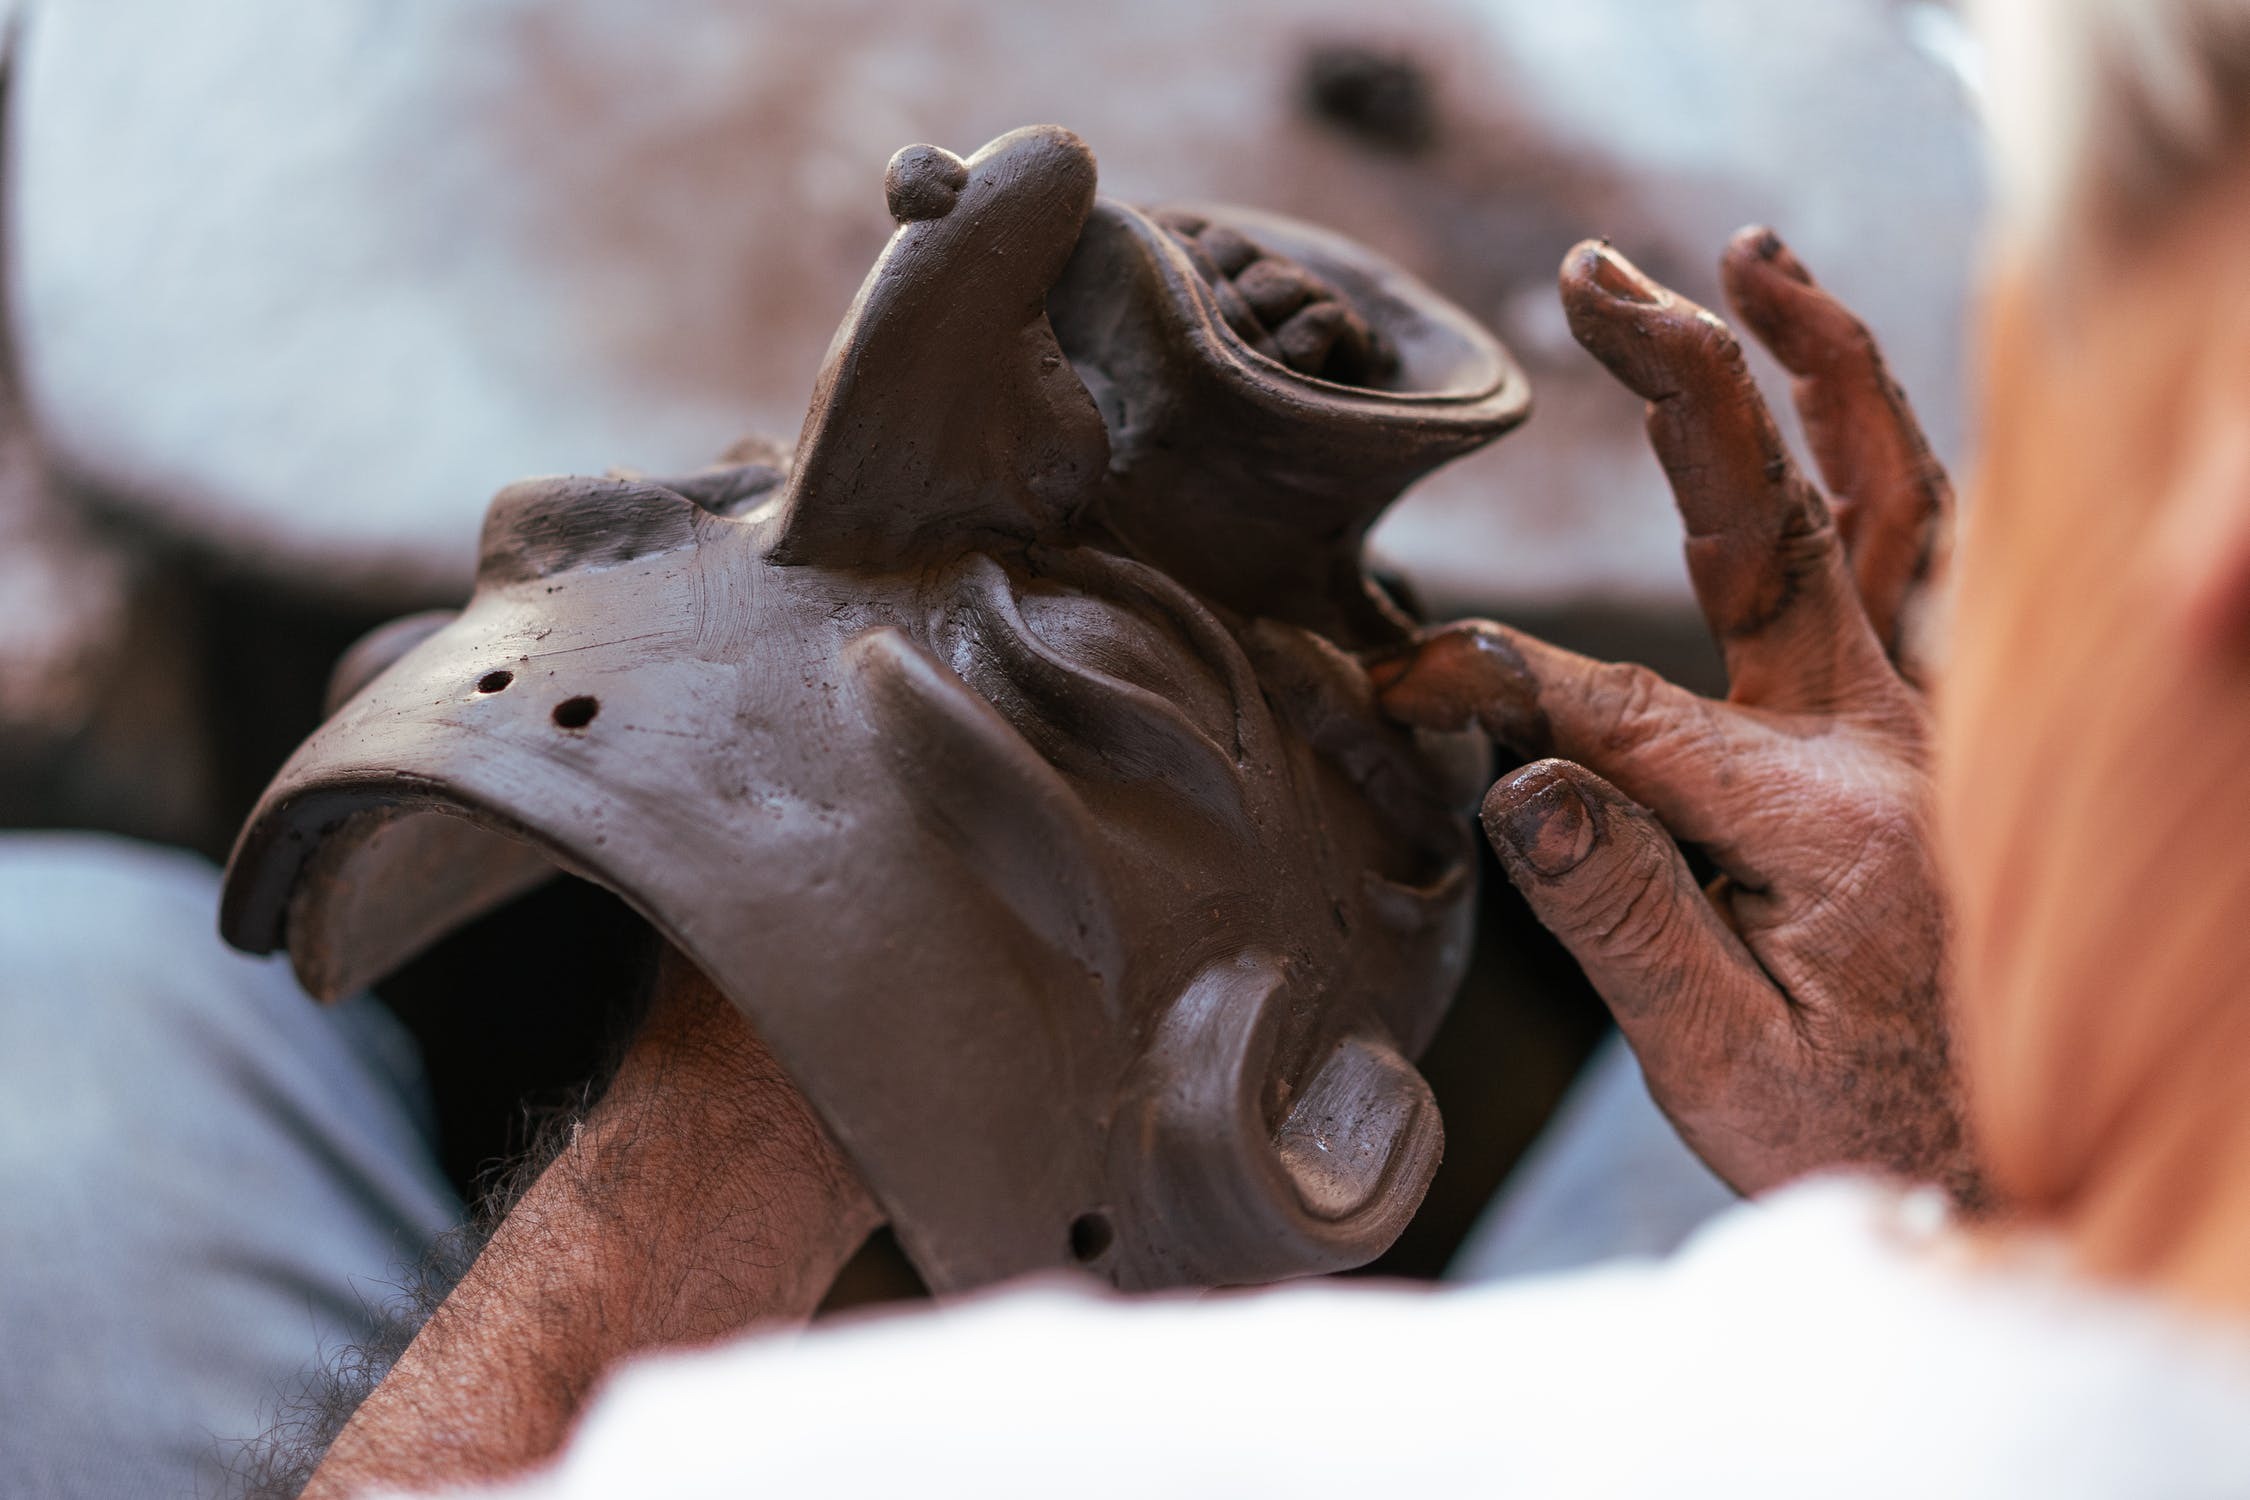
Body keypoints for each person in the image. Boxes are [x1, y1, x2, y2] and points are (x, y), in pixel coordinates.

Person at [10, 0, 2250, 1493]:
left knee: (59, 1005)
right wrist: (2005, 1120)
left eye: (2037, 488)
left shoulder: (895, 1454)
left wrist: (786, 1046)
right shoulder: (2094, 1346)